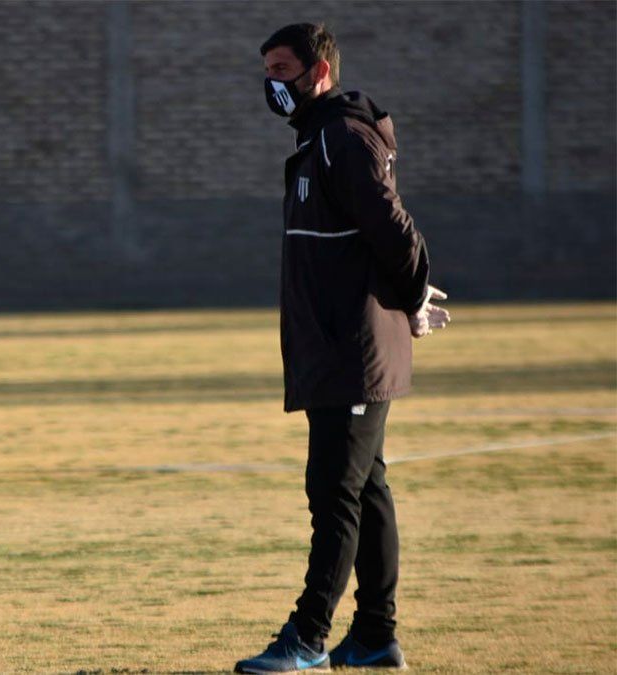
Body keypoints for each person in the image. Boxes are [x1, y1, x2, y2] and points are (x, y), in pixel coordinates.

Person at [234, 23, 448, 673]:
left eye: (282, 68)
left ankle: (308, 634)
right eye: (266, 69)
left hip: (351, 350)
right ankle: (377, 636)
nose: (272, 81)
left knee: (333, 491)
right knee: (365, 486)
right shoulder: (316, 139)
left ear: (318, 72)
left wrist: (411, 300)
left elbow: (398, 232)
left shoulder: (341, 139)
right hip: (332, 349)